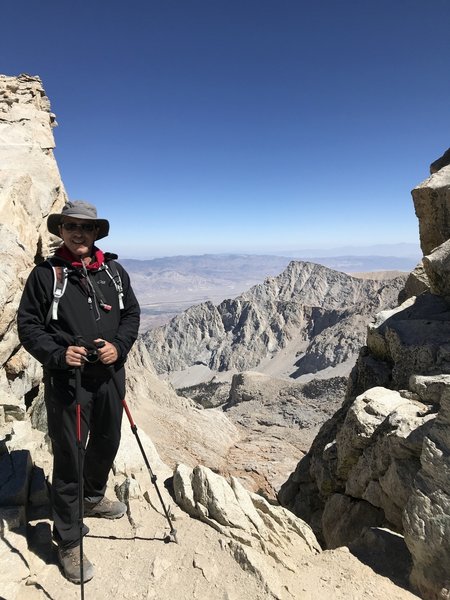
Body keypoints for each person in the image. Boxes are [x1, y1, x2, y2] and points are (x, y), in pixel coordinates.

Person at [17, 200, 140, 583]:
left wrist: (118, 346)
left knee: (108, 440)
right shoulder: (45, 275)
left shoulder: (113, 272)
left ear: (96, 233)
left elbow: (132, 314)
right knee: (69, 457)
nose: (78, 233)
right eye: (71, 226)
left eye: (86, 228)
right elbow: (28, 325)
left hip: (108, 376)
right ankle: (68, 540)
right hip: (68, 383)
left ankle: (92, 497)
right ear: (62, 231)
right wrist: (57, 353)